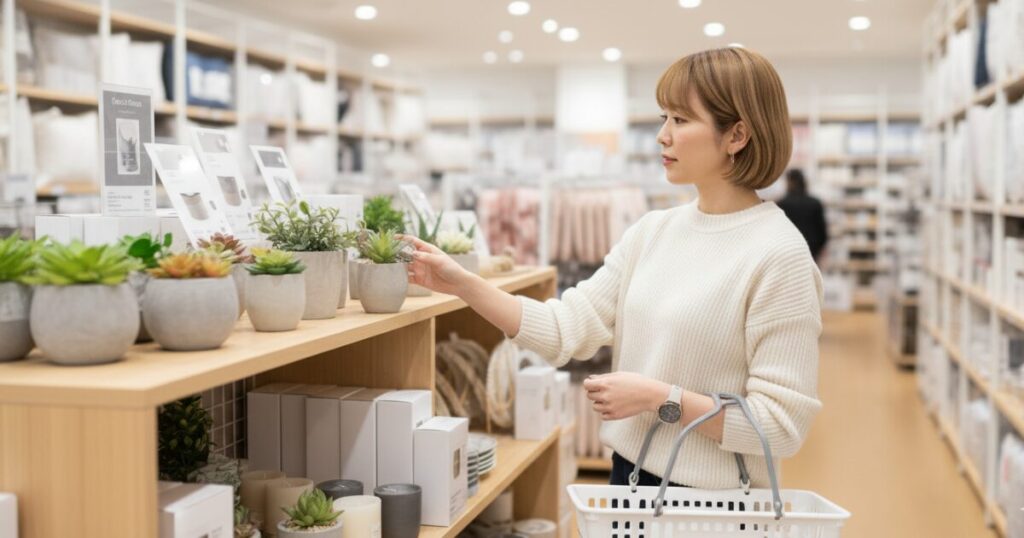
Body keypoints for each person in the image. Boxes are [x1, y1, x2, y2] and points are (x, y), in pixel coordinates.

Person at [403, 47, 822, 491]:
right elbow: (566, 329)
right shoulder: (653, 231)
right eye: (664, 118)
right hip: (629, 478)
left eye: (680, 120)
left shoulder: (779, 254)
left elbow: (780, 426)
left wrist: (661, 399)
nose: (662, 136)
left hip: (710, 504)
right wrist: (462, 283)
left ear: (736, 135)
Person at [778, 168, 829, 262]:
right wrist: (819, 248)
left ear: (789, 182)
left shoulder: (782, 204)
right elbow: (822, 231)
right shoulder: (815, 202)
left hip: (789, 250)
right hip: (812, 250)